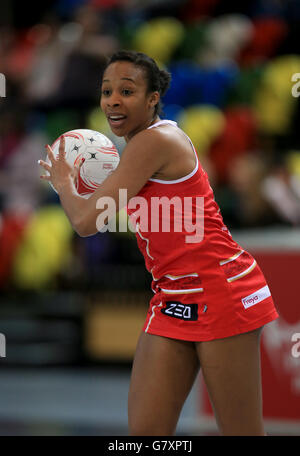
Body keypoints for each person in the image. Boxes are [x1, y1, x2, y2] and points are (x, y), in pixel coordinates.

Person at [38, 50, 279, 436]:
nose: (113, 100)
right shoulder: (139, 147)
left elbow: (86, 221)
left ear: (153, 99)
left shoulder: (155, 142)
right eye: (106, 91)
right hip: (171, 294)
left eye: (127, 91)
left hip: (221, 290)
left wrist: (64, 182)